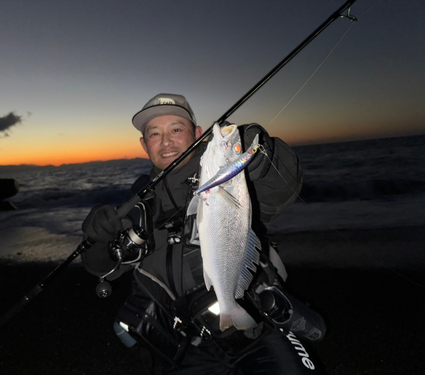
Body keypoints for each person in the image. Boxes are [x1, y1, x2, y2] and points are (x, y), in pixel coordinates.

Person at [81, 93, 325, 374]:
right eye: (154, 134)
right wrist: (97, 239)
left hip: (256, 325)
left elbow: (282, 188)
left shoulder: (231, 176)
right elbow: (102, 268)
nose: (166, 141)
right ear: (144, 144)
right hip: (187, 347)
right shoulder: (137, 208)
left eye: (176, 129)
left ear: (197, 134)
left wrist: (261, 157)